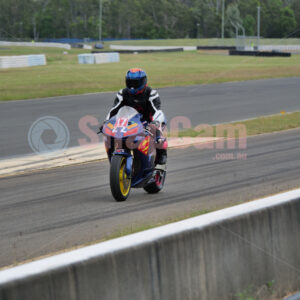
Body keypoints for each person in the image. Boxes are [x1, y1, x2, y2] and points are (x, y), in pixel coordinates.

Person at [101, 68, 167, 165]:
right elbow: (114, 109)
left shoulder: (151, 93)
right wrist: (106, 122)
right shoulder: (122, 93)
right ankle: (113, 156)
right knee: (111, 134)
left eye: (135, 83)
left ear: (143, 82)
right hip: (130, 122)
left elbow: (156, 110)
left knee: (156, 131)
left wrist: (155, 122)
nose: (132, 86)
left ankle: (162, 153)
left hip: (148, 121)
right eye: (130, 83)